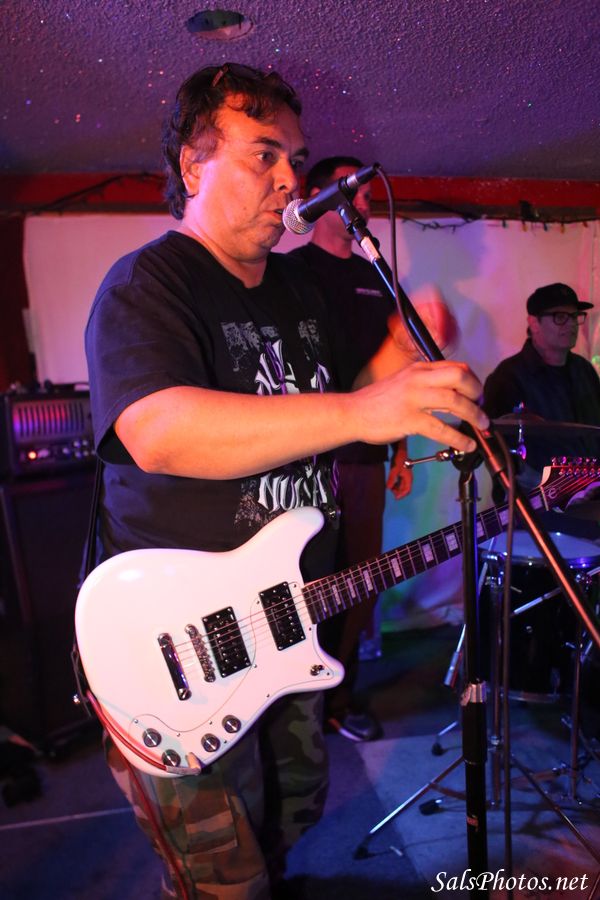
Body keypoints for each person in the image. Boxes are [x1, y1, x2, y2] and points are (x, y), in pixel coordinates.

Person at [84, 62, 487, 900]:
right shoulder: (148, 283)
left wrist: (406, 359)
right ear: (194, 164)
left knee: (290, 817)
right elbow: (158, 432)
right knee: (221, 873)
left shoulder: (302, 287)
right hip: (178, 647)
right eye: (263, 155)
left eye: (295, 160)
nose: (289, 180)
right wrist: (364, 411)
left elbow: (349, 393)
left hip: (287, 618)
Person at [288, 156, 413, 743]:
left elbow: (399, 368)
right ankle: (296, 701)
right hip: (302, 455)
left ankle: (340, 697)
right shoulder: (289, 273)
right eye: (350, 193)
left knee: (361, 579)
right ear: (316, 198)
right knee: (305, 580)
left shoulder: (376, 276)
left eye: (365, 196)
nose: (363, 203)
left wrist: (402, 451)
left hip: (365, 457)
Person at [483, 283, 600, 490]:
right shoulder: (508, 376)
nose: (572, 324)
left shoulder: (584, 370)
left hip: (589, 493)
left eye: (575, 316)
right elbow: (493, 447)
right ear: (534, 323)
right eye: (560, 317)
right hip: (538, 499)